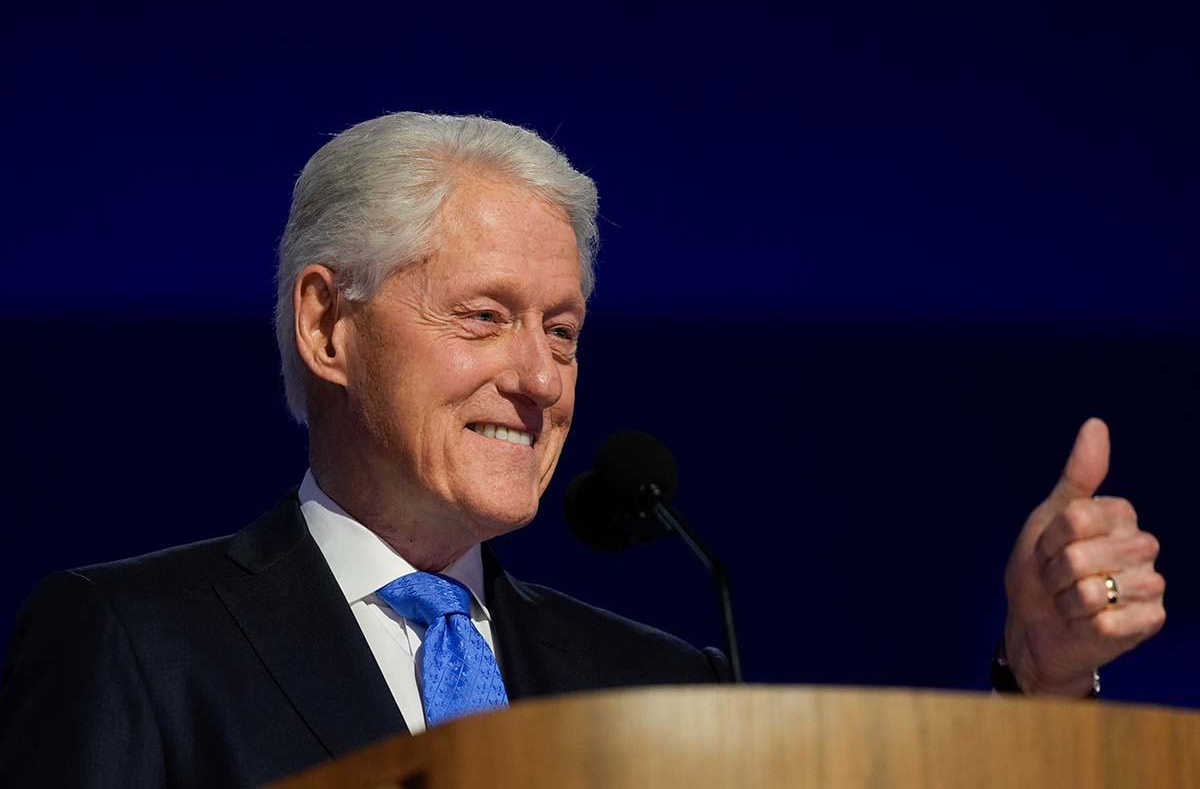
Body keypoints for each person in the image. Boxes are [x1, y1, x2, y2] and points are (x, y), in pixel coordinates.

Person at [0, 113, 1165, 787]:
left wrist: (1043, 680)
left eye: (563, 330)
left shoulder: (662, 685)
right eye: (485, 314)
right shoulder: (136, 642)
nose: (540, 376)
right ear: (328, 324)